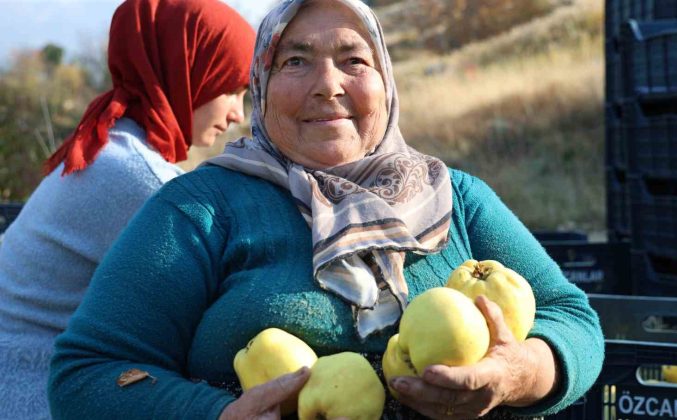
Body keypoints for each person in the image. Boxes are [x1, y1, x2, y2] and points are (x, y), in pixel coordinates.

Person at [48, 0, 604, 418]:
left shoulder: (458, 198)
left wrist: (517, 373)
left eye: (353, 59)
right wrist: (215, 413)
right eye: (296, 61)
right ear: (261, 86)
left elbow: (573, 318)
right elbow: (87, 374)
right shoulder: (200, 209)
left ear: (386, 81)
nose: (328, 86)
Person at [0, 0, 256, 418]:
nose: (235, 114)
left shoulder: (114, 145)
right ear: (185, 69)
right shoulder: (140, 179)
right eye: (229, 88)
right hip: (32, 390)